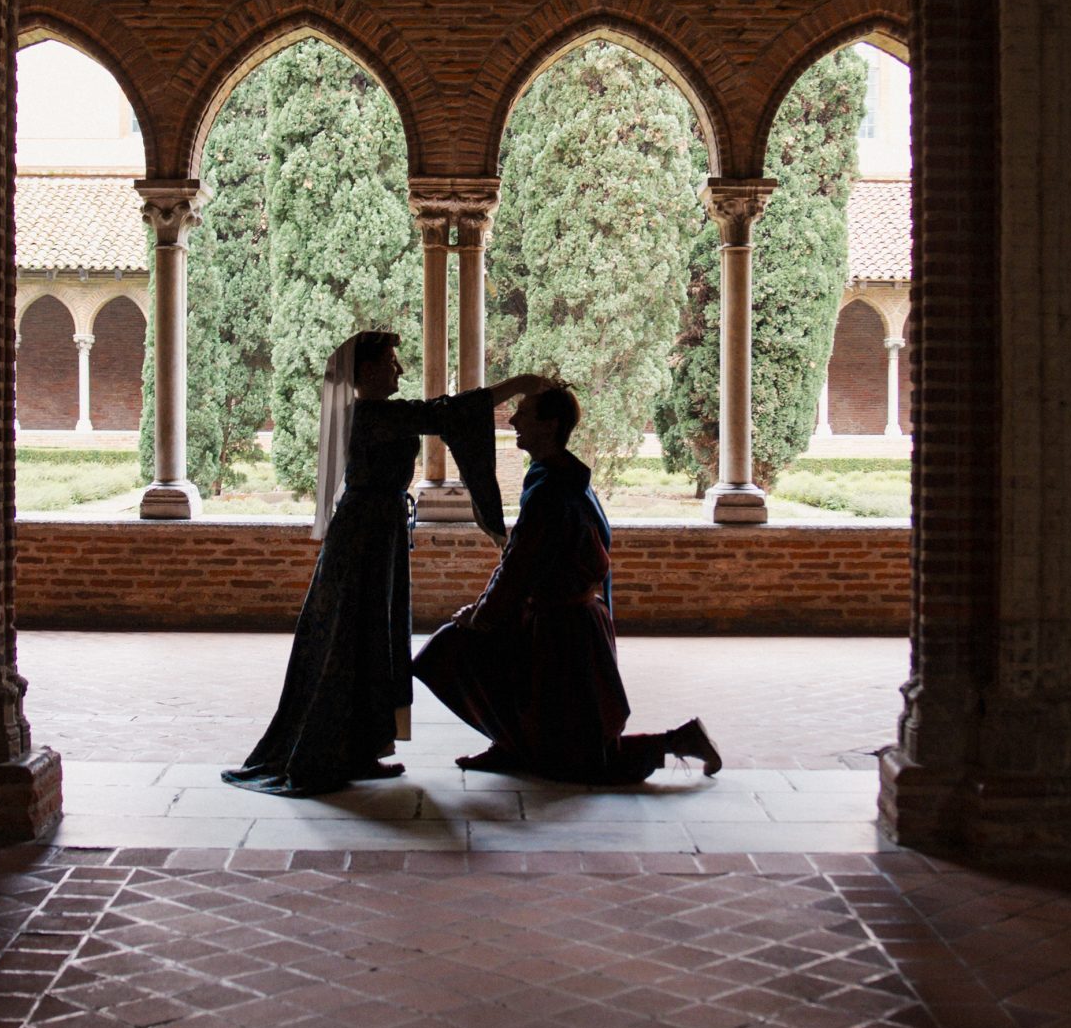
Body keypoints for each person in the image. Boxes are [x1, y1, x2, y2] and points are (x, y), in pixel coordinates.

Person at [223, 332, 548, 797]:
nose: (400, 370)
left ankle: (359, 749)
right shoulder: (372, 415)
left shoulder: (377, 414)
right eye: (392, 362)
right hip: (364, 536)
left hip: (377, 530)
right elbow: (446, 412)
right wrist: (517, 385)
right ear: (368, 370)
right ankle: (334, 750)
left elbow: (443, 413)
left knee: (371, 636)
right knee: (354, 636)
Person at [414, 382, 721, 784]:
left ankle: (680, 740)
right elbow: (522, 557)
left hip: (565, 628)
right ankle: (513, 745)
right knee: (559, 736)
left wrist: (483, 614)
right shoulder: (560, 475)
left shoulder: (552, 487)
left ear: (550, 425)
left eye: (524, 413)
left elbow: (520, 563)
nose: (512, 420)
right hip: (559, 619)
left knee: (584, 758)